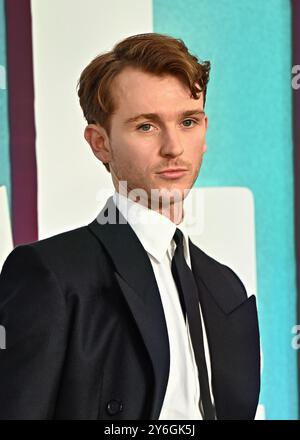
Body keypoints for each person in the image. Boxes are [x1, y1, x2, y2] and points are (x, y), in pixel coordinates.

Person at [0, 33, 260, 420]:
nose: (174, 146)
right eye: (146, 126)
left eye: (188, 121)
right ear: (99, 143)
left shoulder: (225, 286)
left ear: (204, 131)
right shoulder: (50, 273)